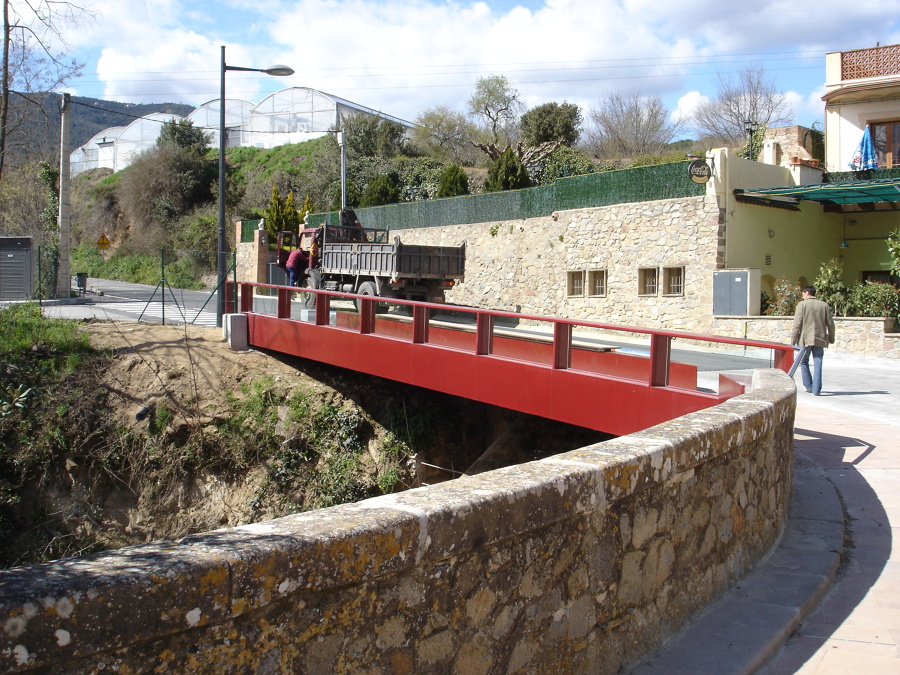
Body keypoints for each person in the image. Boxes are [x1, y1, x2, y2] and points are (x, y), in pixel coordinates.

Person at [791, 285, 836, 395]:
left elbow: (797, 324)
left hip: (805, 339)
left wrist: (793, 341)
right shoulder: (824, 305)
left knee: (804, 361)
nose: (802, 295)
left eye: (803, 293)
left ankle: (809, 386)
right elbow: (830, 324)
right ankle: (817, 389)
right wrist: (831, 338)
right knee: (818, 362)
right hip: (820, 338)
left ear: (807, 293)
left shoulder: (802, 305)